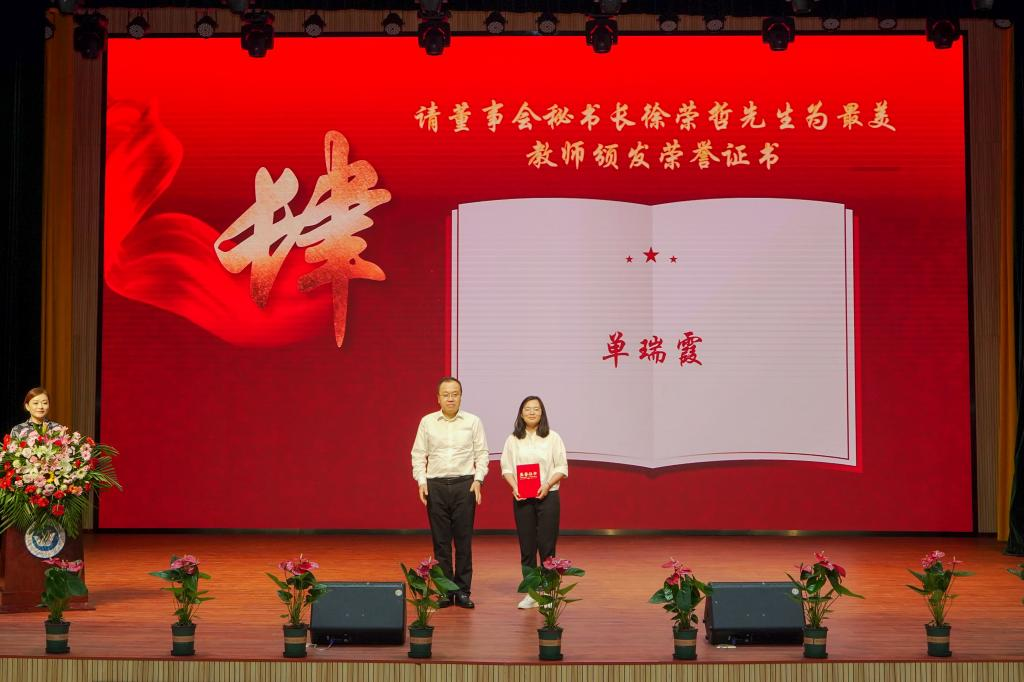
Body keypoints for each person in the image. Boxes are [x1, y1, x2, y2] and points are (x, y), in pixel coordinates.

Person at [410, 376, 489, 609]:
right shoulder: (427, 422)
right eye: (446, 394)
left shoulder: (473, 421)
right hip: (436, 485)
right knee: (441, 542)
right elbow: (418, 454)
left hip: (464, 484)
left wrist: (478, 480)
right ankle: (445, 591)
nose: (451, 398)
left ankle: (462, 591)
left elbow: (482, 454)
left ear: (461, 396)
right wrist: (421, 481)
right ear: (438, 398)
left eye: (455, 394)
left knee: (463, 542)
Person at [500, 395, 568, 609]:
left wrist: (547, 484)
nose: (532, 412)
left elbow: (562, 467)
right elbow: (506, 468)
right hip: (522, 498)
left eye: (536, 409)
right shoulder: (513, 439)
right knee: (527, 547)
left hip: (548, 496)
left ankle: (548, 593)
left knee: (547, 546)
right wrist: (514, 487)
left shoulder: (553, 438)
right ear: (521, 413)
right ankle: (532, 593)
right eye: (527, 409)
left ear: (542, 413)